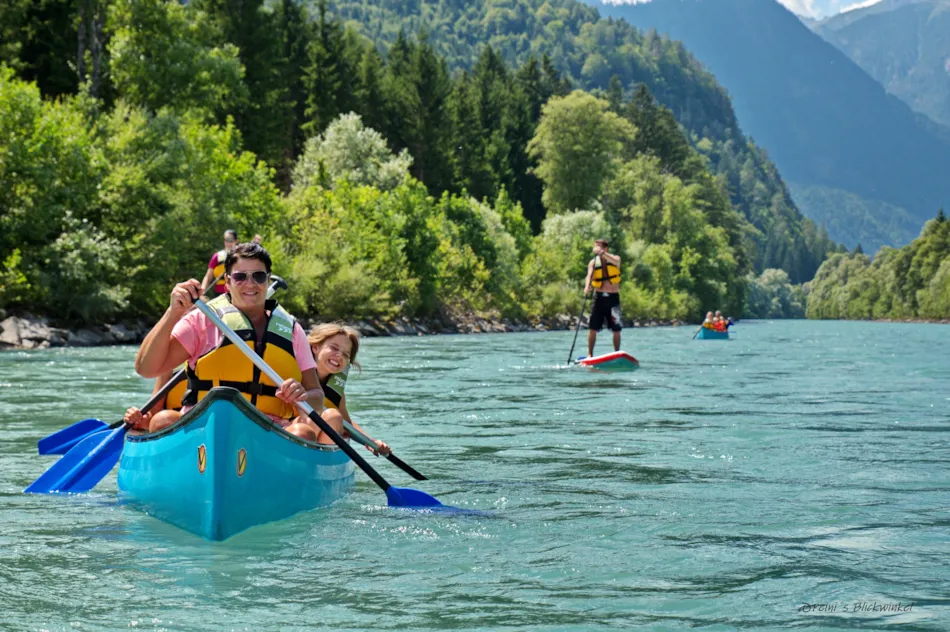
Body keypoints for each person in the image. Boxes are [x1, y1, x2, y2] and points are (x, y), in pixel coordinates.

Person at [134, 242, 326, 440]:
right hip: (204, 424)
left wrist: (302, 395)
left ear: (268, 280)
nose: (250, 283)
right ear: (227, 281)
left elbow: (318, 399)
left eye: (258, 276)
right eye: (240, 276)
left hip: (267, 429)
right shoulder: (201, 320)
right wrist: (173, 313)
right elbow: (145, 369)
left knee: (302, 432)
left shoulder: (291, 330)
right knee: (162, 421)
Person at [301, 323, 391, 455]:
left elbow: (347, 424)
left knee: (333, 417)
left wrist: (370, 442)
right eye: (334, 348)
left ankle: (320, 465)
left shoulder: (337, 393)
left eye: (345, 354)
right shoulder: (295, 374)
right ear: (315, 348)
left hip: (317, 448)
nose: (339, 356)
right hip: (294, 432)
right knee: (332, 416)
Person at [583, 238, 622, 358]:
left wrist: (601, 253)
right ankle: (590, 354)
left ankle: (616, 353)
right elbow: (589, 275)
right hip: (598, 298)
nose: (596, 249)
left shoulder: (615, 258)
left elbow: (615, 261)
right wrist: (587, 286)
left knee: (616, 329)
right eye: (595, 247)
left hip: (613, 298)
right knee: (593, 328)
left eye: (599, 247)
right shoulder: (593, 262)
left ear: (606, 248)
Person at [200, 229, 238, 296]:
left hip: (236, 291)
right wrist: (202, 291)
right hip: (220, 292)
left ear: (236, 241)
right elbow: (208, 276)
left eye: (231, 240)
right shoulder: (217, 256)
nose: (229, 243)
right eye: (226, 240)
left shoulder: (241, 256)